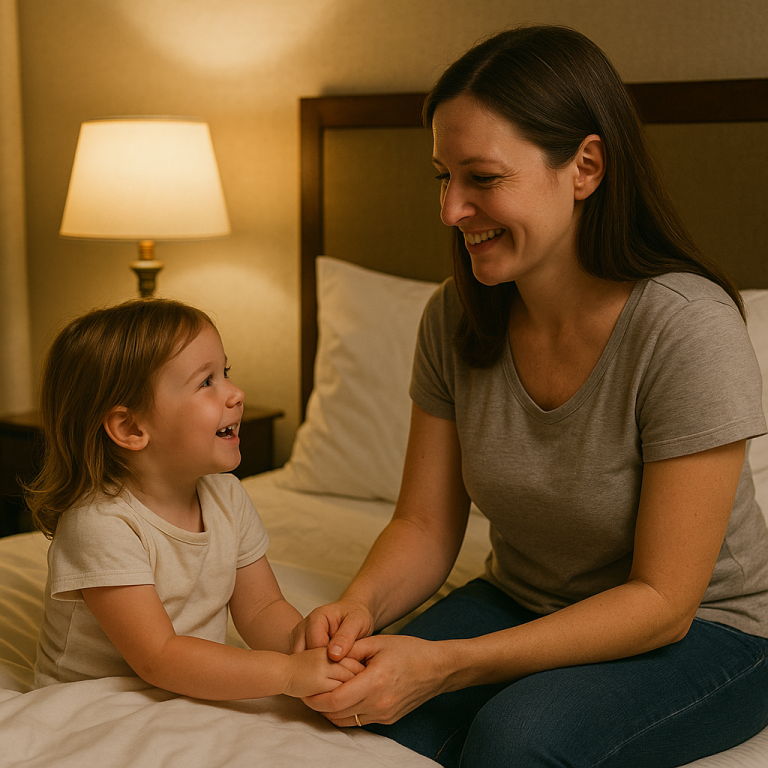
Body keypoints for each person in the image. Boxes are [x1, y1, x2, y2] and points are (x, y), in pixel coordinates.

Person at [291, 24, 768, 767]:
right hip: (521, 597)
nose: (451, 209)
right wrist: (360, 608)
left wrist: (453, 663)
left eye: (482, 178)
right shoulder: (455, 316)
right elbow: (423, 523)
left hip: (707, 628)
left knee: (517, 742)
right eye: (442, 178)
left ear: (585, 166)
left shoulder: (686, 327)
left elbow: (664, 601)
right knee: (340, 717)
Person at [28, 298, 361, 700]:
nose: (236, 393)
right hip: (96, 702)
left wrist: (306, 645)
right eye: (207, 382)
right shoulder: (99, 523)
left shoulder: (227, 496)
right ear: (131, 427)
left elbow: (261, 609)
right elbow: (159, 657)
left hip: (186, 689)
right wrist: (287, 674)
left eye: (226, 373)